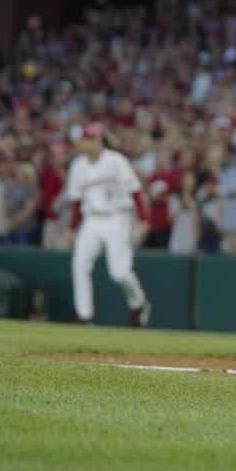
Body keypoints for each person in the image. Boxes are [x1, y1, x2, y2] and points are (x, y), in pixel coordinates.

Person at [63, 125, 150, 326]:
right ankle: (84, 317)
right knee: (79, 264)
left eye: (92, 139)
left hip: (118, 217)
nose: (89, 143)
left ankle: (138, 302)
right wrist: (72, 227)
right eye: (87, 139)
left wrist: (145, 220)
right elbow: (77, 202)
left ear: (99, 140)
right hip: (91, 219)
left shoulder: (116, 161)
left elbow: (135, 191)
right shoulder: (78, 166)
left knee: (119, 273)